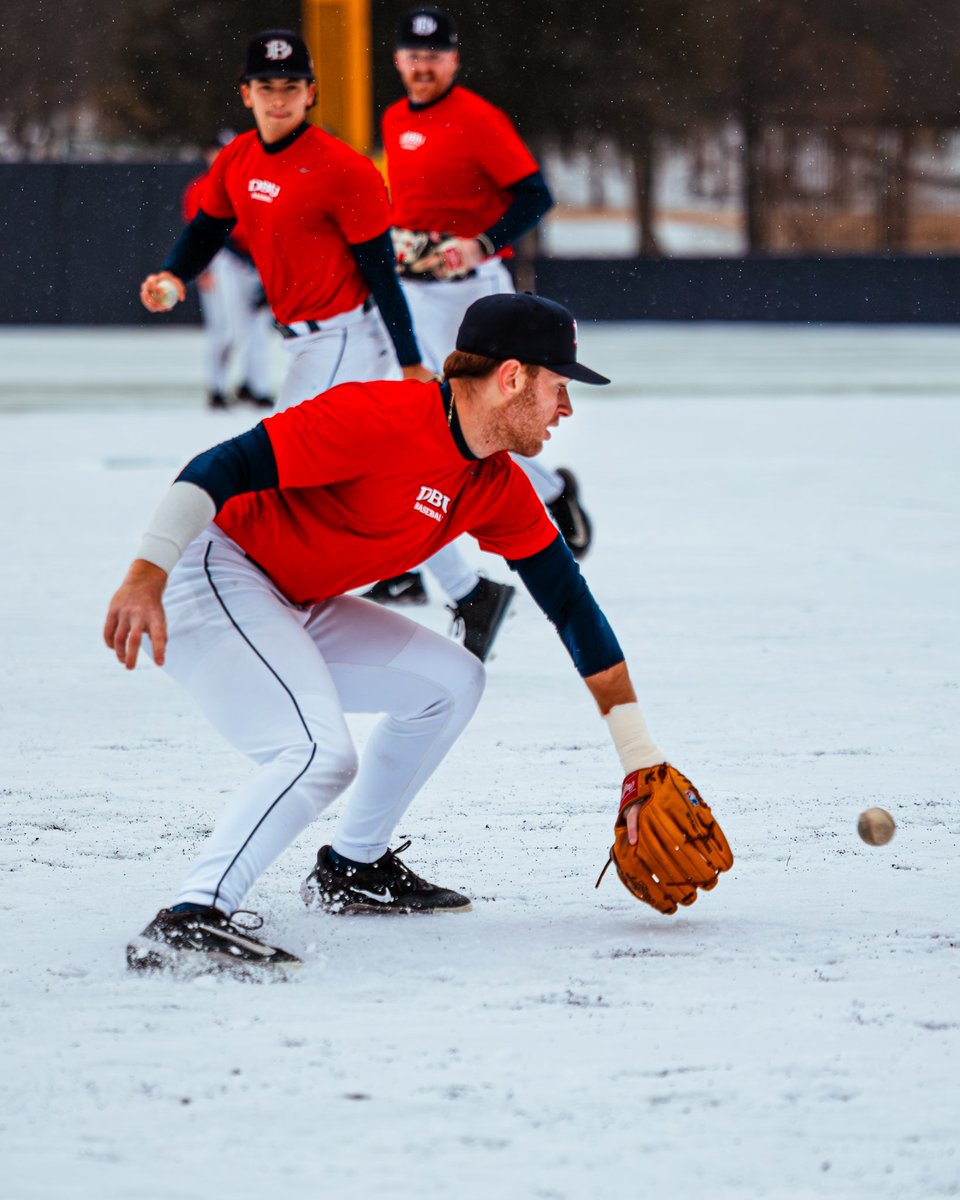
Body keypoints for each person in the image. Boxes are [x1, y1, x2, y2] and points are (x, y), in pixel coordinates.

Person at [104, 293, 695, 975]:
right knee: (316, 752)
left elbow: (571, 605)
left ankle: (352, 868)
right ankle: (191, 916)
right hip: (216, 571)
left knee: (452, 682)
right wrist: (147, 571)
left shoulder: (495, 484)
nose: (566, 408)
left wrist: (638, 754)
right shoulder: (378, 416)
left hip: (293, 597)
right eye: (558, 386)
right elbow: (221, 464)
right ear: (512, 378)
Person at [363, 6, 593, 625]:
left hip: (471, 288)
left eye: (434, 56)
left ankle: (548, 491)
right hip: (414, 287)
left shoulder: (477, 118)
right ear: (397, 60)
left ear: (454, 60)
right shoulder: (392, 117)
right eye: (412, 55)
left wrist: (479, 242)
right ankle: (407, 559)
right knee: (410, 410)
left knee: (478, 411)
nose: (422, 66)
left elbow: (535, 194)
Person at [139, 29, 433, 413]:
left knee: (284, 458)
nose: (278, 99)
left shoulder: (346, 170)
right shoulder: (236, 158)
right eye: (266, 86)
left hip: (346, 338)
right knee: (333, 465)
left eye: (291, 86)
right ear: (246, 93)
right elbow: (207, 229)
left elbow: (380, 272)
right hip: (301, 342)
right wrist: (174, 273)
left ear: (310, 93)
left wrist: (409, 361)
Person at [182, 138, 276, 410]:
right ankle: (217, 387)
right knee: (228, 331)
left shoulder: (254, 184)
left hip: (256, 261)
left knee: (258, 329)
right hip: (222, 260)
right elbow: (197, 234)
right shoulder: (201, 187)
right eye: (219, 151)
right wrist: (201, 269)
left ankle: (254, 386)